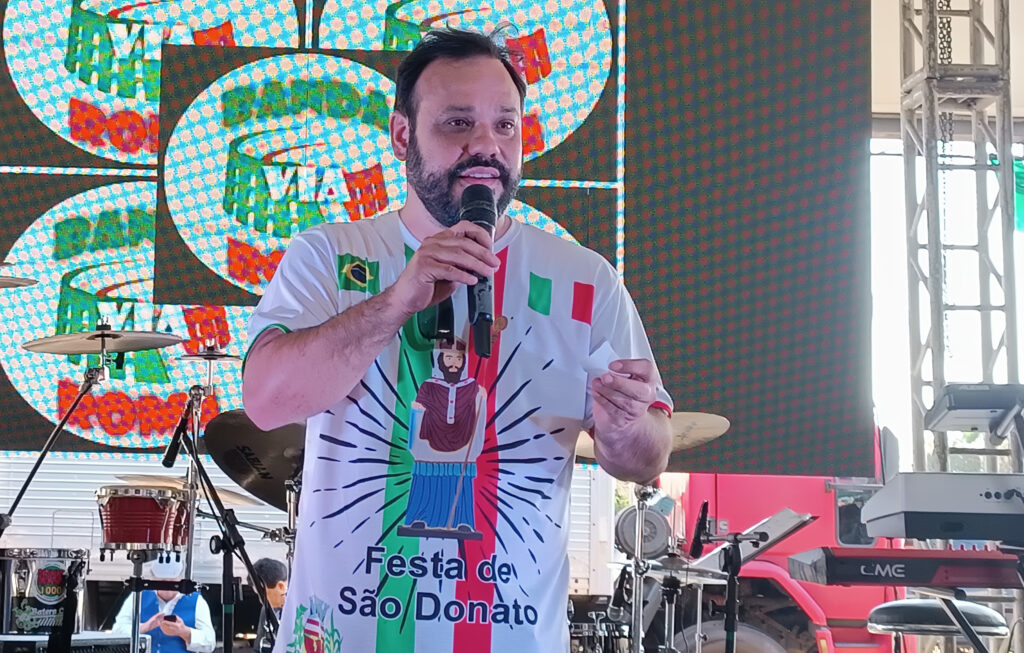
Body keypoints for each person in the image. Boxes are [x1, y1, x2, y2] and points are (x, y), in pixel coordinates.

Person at [242, 27, 673, 653]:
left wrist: (626, 425)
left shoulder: (584, 280)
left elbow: (648, 456)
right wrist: (396, 301)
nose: (486, 147)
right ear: (402, 136)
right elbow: (265, 401)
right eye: (457, 123)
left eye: (505, 126)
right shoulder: (330, 257)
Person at [110, 558, 216, 653]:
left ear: (181, 578)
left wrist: (184, 632)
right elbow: (117, 632)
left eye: (172, 582)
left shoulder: (197, 601)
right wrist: (144, 627)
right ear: (153, 579)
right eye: (162, 582)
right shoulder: (139, 596)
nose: (167, 587)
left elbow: (210, 643)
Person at [252, 557, 288, 651]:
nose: (260, 601)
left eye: (262, 595)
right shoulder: (266, 610)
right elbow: (259, 647)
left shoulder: (299, 610)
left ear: (281, 586)